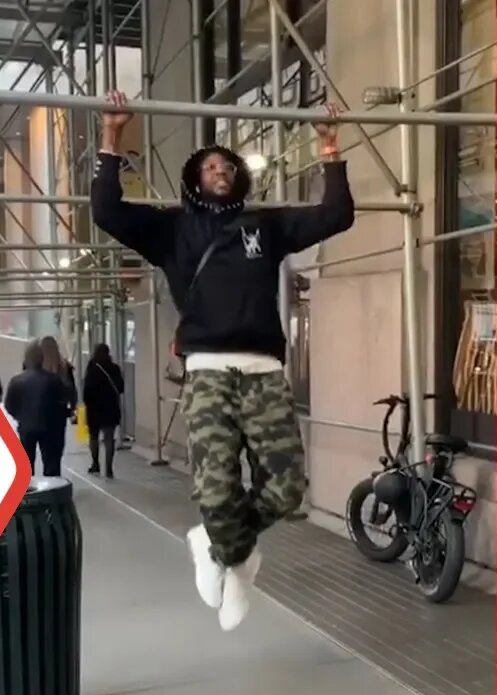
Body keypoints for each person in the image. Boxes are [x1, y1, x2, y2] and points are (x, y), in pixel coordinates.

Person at [93, 90, 354, 630]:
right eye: (210, 165)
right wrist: (112, 138)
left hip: (264, 374)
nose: (220, 170)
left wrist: (329, 151)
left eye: (227, 165)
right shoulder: (171, 231)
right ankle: (233, 555)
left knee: (284, 491)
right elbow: (107, 210)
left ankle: (218, 548)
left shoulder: (266, 224)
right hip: (208, 371)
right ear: (194, 179)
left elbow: (336, 214)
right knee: (215, 488)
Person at [4, 341, 70, 477]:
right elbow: (63, 401)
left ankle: (28, 492)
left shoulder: (16, 381)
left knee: (26, 463)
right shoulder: (53, 380)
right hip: (49, 428)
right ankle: (52, 492)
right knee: (51, 463)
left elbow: (9, 405)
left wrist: (20, 416)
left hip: (26, 427)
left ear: (26, 359)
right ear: (41, 359)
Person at [83, 342, 125, 479]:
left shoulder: (92, 368)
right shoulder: (115, 369)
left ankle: (95, 463)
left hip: (94, 409)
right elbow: (120, 388)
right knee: (109, 439)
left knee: (93, 437)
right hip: (110, 408)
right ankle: (109, 469)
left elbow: (86, 391)